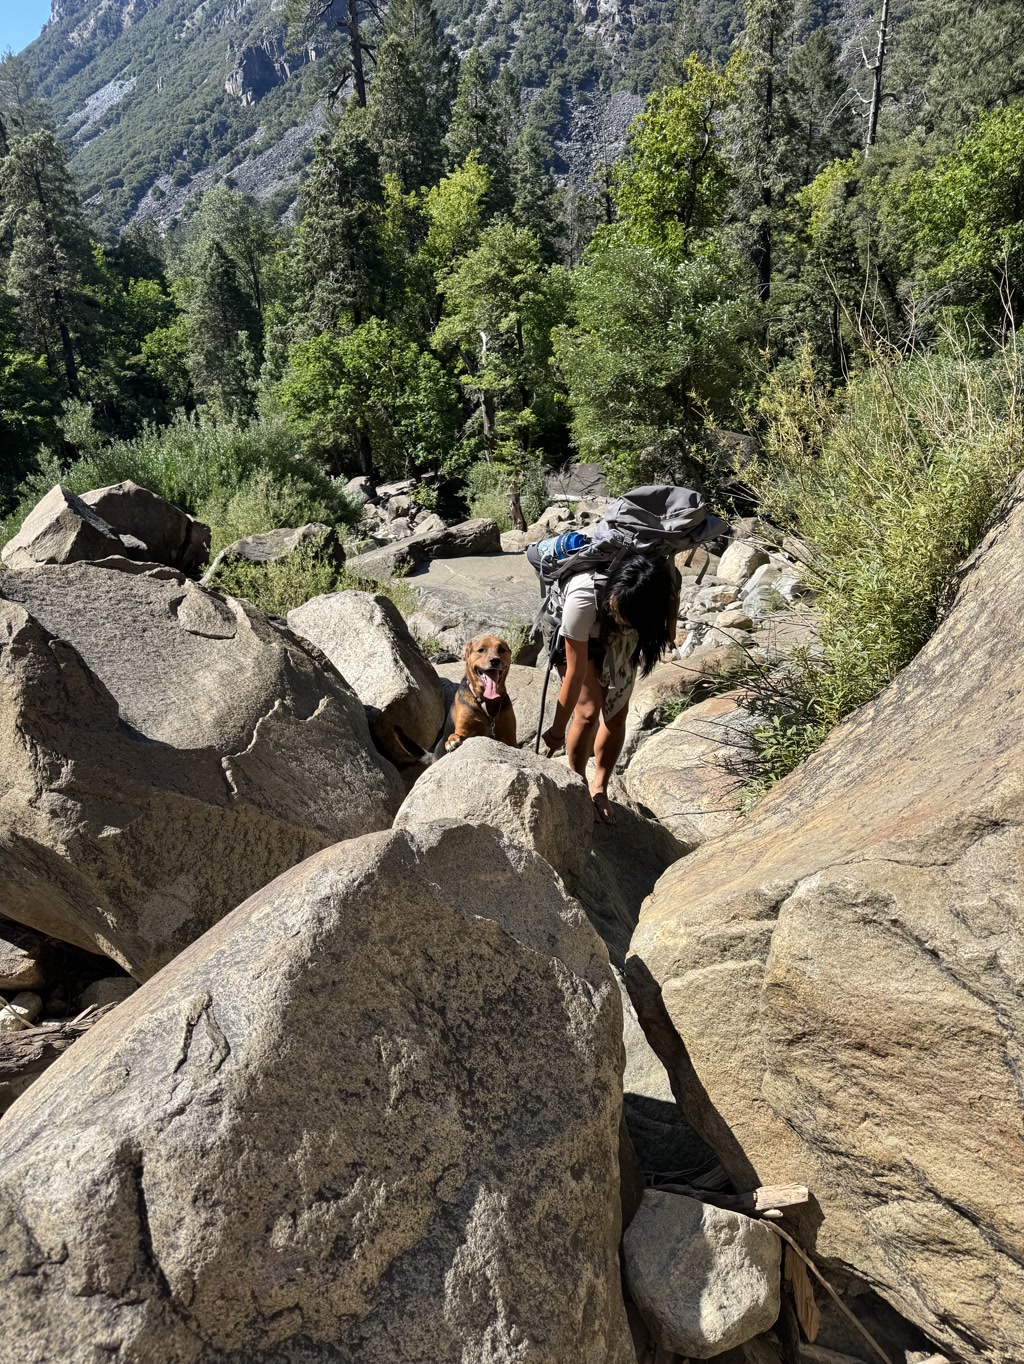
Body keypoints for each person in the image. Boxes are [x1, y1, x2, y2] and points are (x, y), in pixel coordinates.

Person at [541, 551, 677, 824]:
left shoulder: (661, 591)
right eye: (614, 606)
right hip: (578, 631)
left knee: (616, 715)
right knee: (589, 711)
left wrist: (638, 625)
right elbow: (575, 674)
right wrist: (556, 732)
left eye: (621, 611)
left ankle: (599, 787)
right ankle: (578, 786)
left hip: (624, 635)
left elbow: (670, 635)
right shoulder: (582, 597)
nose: (614, 609)